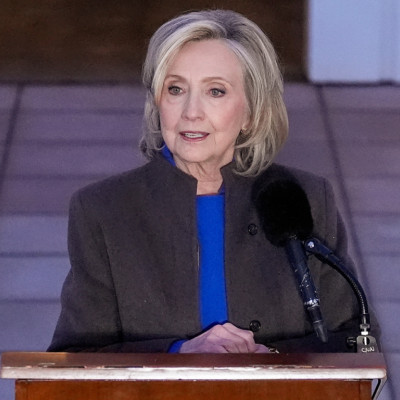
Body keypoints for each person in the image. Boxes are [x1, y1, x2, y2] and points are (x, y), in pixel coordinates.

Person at [48, 9, 366, 354]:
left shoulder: (304, 198)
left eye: (215, 91)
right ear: (157, 102)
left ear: (251, 112)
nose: (191, 112)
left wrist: (273, 362)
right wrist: (179, 356)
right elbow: (75, 361)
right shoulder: (103, 210)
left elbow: (357, 341)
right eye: (175, 89)